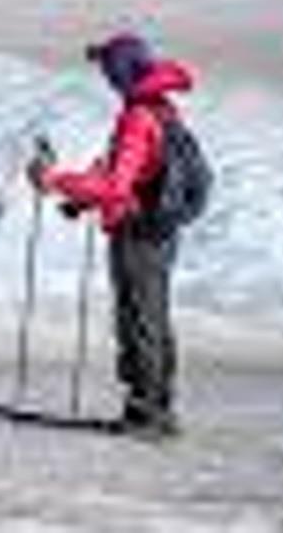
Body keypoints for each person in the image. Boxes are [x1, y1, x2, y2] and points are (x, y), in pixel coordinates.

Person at [29, 32, 195, 439]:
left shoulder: (137, 118)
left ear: (120, 72)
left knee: (139, 319)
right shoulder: (160, 109)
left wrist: (55, 180)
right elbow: (126, 176)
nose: (105, 77)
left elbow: (117, 187)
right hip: (159, 229)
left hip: (137, 233)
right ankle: (159, 405)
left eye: (107, 68)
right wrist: (80, 196)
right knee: (152, 316)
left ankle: (146, 413)